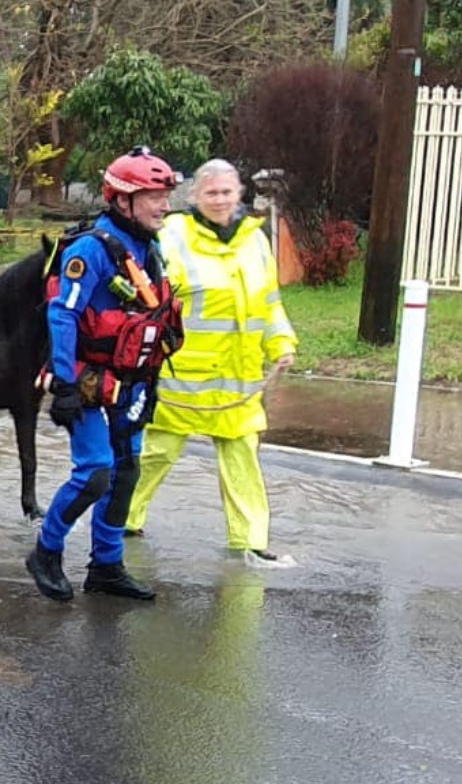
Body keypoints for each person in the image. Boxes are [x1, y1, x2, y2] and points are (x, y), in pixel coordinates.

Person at [26, 146, 184, 603]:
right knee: (96, 472)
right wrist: (67, 385)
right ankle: (46, 552)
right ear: (122, 199)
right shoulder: (89, 251)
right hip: (86, 380)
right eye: (154, 195)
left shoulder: (149, 249)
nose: (164, 205)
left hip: (130, 383)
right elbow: (62, 317)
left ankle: (107, 567)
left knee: (126, 473)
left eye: (165, 195)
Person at [125, 158, 298, 568]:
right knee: (155, 453)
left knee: (242, 461)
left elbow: (268, 301)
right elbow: (151, 300)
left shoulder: (254, 240)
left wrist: (281, 344)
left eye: (227, 191)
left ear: (239, 193)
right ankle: (123, 520)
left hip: (236, 379)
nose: (220, 200)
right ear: (196, 197)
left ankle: (251, 541)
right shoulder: (173, 235)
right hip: (182, 377)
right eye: (211, 193)